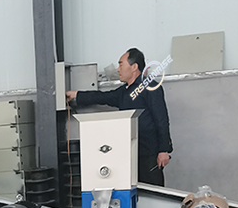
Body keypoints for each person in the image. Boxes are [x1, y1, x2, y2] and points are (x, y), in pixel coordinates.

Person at [66, 48, 173, 186]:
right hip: (130, 152)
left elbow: (161, 119)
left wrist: (163, 150)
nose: (118, 69)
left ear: (134, 67)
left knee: (153, 189)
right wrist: (76, 94)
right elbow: (103, 97)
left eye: (121, 64)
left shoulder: (150, 86)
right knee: (133, 189)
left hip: (150, 153)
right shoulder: (124, 92)